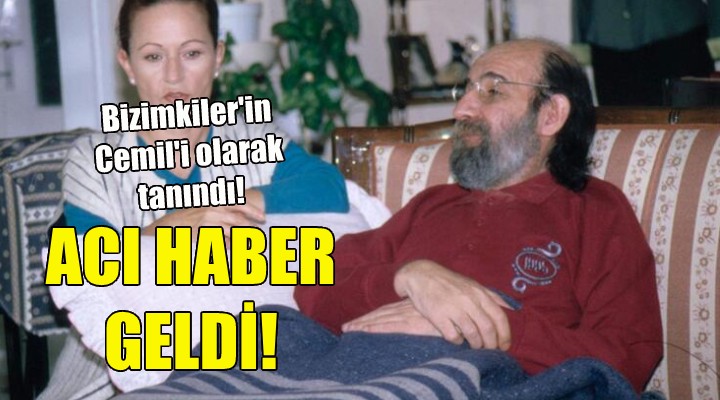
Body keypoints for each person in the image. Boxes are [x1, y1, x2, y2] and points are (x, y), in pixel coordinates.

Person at [295, 38, 663, 393]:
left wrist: (479, 324)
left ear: (550, 115)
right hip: (363, 373)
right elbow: (315, 279)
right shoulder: (433, 203)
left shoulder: (596, 209)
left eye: (492, 91)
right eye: (466, 90)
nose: (462, 109)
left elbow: (627, 357)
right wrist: (410, 278)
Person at [41, 0, 354, 399]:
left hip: (257, 368)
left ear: (218, 56)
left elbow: (328, 186)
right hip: (115, 381)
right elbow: (87, 260)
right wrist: (168, 227)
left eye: (191, 53)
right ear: (127, 64)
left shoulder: (251, 137)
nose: (174, 75)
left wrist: (238, 201)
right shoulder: (93, 159)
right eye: (153, 56)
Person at [572, 0, 719, 106]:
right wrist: (580, 36)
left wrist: (717, 33)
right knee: (625, 131)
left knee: (691, 129)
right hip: (610, 43)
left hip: (678, 35)